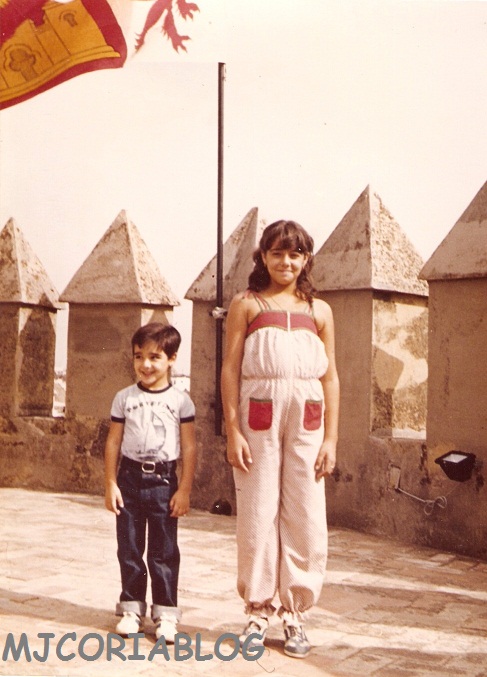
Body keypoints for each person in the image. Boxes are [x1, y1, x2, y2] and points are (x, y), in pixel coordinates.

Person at [221, 220, 339, 659]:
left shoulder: (319, 311)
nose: (285, 262)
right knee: (257, 510)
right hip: (259, 416)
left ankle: (294, 612)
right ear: (263, 257)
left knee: (306, 512)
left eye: (295, 254)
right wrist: (233, 430)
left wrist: (331, 438)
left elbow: (331, 377)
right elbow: (230, 369)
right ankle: (257, 609)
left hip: (308, 419)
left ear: (306, 259)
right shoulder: (247, 304)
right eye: (277, 253)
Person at [104, 322, 196, 642]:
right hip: (129, 479)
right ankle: (131, 609)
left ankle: (166, 613)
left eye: (155, 357)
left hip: (163, 481)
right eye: (138, 356)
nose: (145, 364)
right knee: (129, 547)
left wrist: (184, 489)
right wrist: (111, 483)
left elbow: (189, 447)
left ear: (172, 359)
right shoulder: (124, 398)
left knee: (164, 550)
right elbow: (113, 442)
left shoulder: (181, 401)